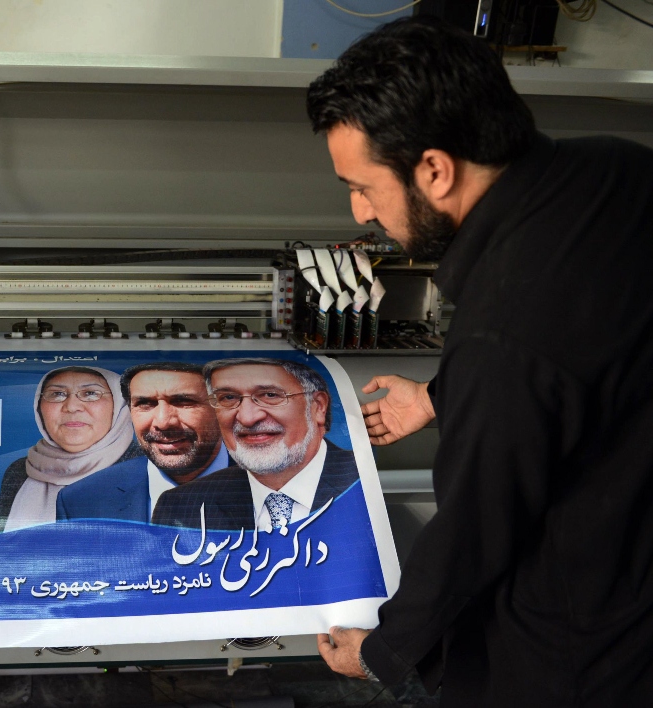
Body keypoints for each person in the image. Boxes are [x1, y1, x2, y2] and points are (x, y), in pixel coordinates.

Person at [305, 16, 653, 705]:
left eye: (364, 186)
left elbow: (472, 536)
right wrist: (438, 396)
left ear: (434, 170)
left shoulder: (504, 329)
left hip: (582, 651)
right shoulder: (622, 168)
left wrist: (382, 649)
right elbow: (586, 347)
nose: (359, 209)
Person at [152, 358, 359, 531]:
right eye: (228, 398)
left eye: (269, 395)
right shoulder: (181, 508)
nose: (247, 418)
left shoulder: (365, 482)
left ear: (318, 407)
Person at [55, 362, 230, 523]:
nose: (163, 422)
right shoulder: (82, 502)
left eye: (183, 402)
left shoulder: (256, 484)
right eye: (145, 404)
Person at [0, 366, 140, 532]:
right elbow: (0, 549)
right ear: (39, 407)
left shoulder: (150, 469)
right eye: (57, 394)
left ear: (119, 404)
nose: (71, 406)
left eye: (90, 393)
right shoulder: (20, 471)